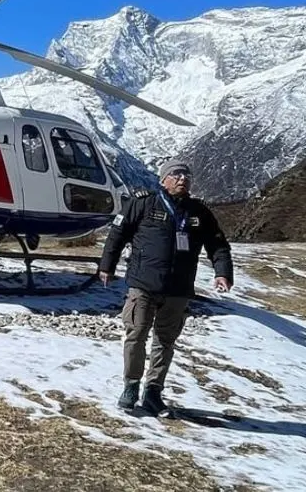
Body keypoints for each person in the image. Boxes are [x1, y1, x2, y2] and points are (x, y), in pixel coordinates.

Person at [98, 160, 234, 415]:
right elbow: (118, 233)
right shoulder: (143, 203)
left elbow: (217, 244)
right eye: (176, 174)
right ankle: (131, 386)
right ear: (163, 180)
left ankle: (153, 391)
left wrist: (223, 273)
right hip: (143, 283)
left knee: (165, 341)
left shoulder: (199, 212)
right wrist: (107, 265)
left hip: (179, 288)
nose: (183, 178)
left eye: (186, 175)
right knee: (136, 334)